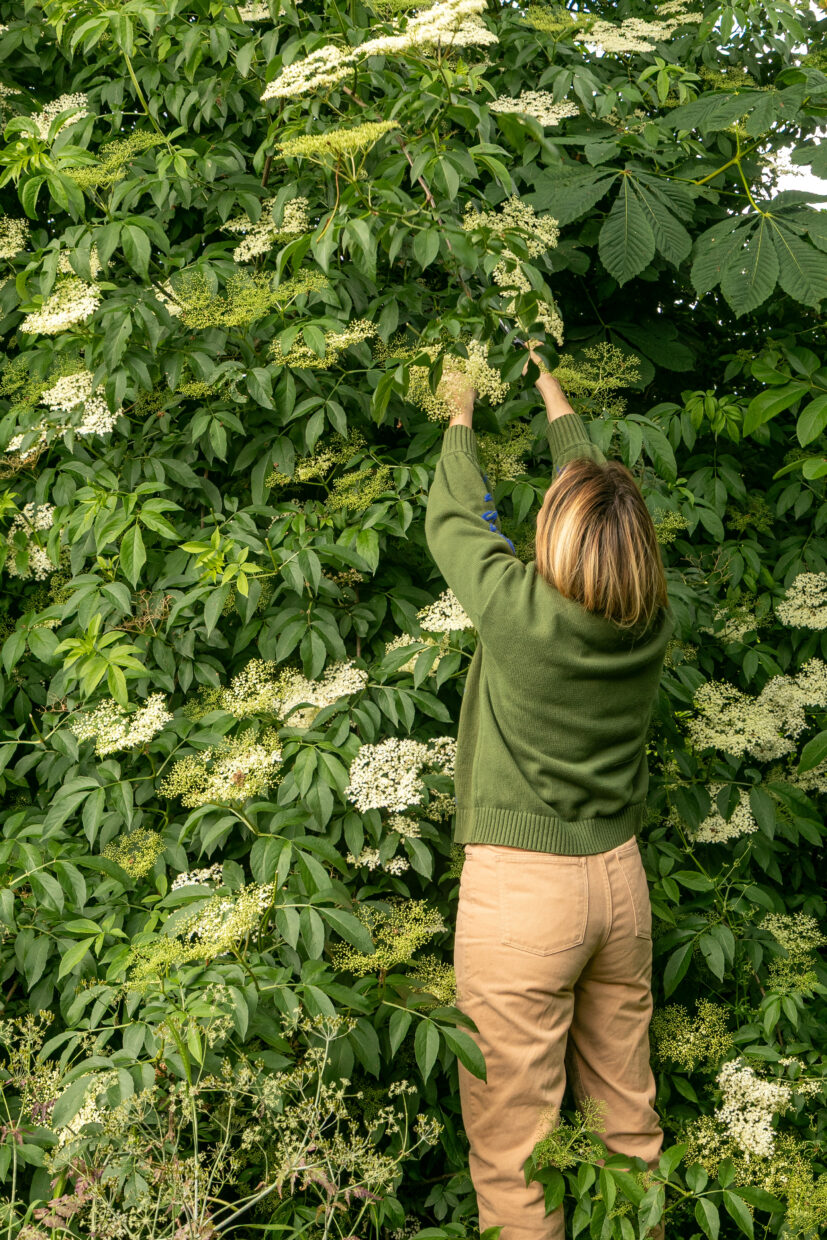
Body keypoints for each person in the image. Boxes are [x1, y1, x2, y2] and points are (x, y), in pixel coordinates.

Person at [423, 346, 675, 1240]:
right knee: (627, 1128)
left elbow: (453, 514)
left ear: (557, 537)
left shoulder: (515, 610)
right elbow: (601, 510)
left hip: (523, 897)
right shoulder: (647, 619)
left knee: (514, 1154)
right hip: (618, 887)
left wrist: (461, 411)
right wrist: (551, 392)